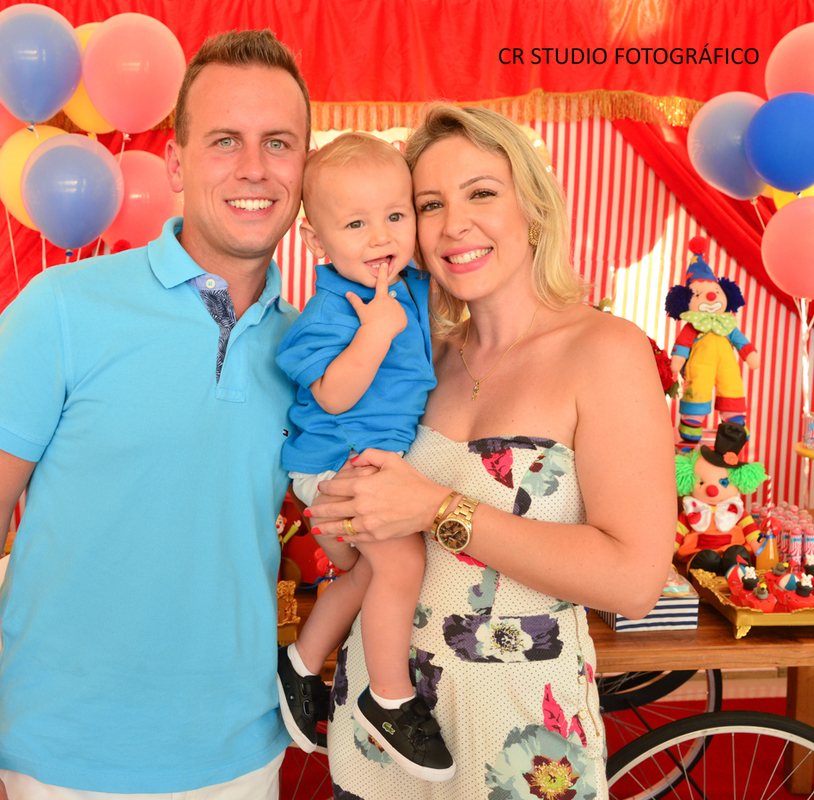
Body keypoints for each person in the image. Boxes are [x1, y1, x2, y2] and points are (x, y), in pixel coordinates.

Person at [0, 30, 310, 800]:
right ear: (176, 164)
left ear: (304, 168)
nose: (254, 168)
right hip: (55, 766)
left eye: (278, 143)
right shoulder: (63, 308)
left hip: (242, 761)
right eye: (224, 140)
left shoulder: (307, 353)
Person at [308, 105, 677, 799]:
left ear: (532, 207)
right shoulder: (421, 359)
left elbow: (634, 581)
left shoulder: (605, 350)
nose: (454, 224)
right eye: (429, 204)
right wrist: (342, 516)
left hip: (518, 738)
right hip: (383, 725)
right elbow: (370, 555)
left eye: (481, 193)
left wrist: (439, 508)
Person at [272, 133, 452, 781]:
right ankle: (390, 698)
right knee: (402, 561)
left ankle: (299, 665)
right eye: (355, 224)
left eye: (395, 215)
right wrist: (374, 334)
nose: (380, 236)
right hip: (336, 458)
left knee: (368, 575)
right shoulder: (332, 310)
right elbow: (333, 393)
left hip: (366, 459)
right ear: (316, 241)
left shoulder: (407, 286)